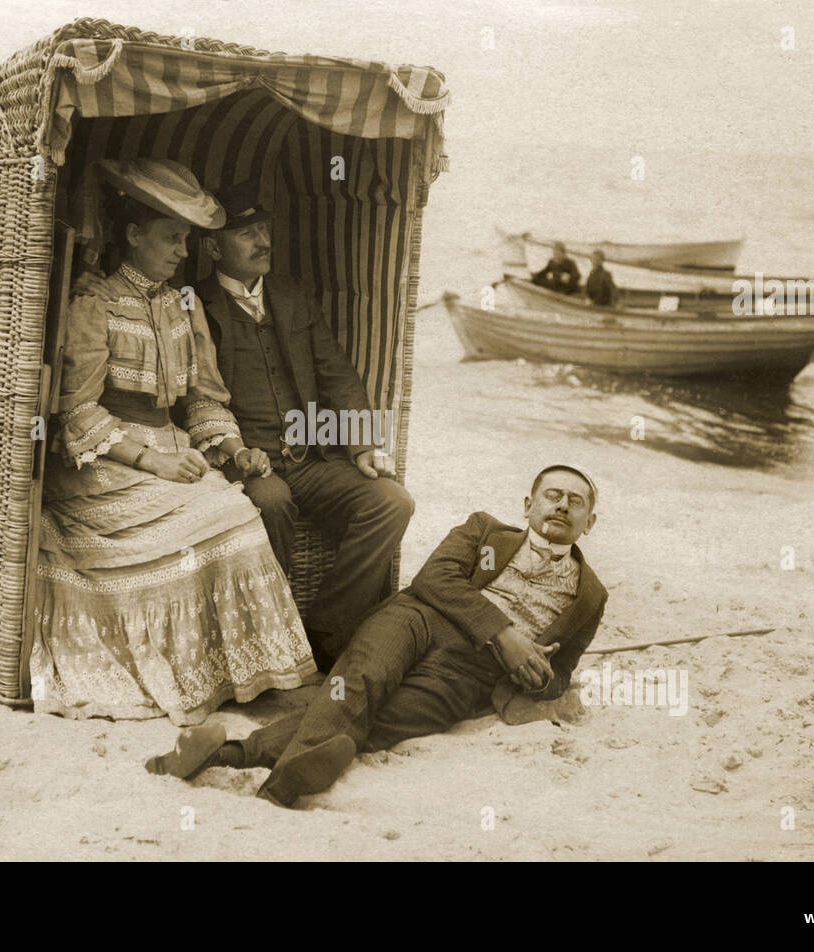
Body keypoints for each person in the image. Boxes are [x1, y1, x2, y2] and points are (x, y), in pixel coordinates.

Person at [30, 159, 315, 727]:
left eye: (186, 238)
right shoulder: (95, 305)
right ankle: (189, 677)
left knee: (237, 510)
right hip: (106, 460)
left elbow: (204, 399)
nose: (182, 251)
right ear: (133, 236)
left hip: (173, 447)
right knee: (211, 520)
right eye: (170, 238)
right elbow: (76, 410)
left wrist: (233, 450)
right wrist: (151, 459)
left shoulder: (184, 306)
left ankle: (236, 676)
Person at [146, 463, 608, 807]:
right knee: (361, 682)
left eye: (576, 501)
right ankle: (283, 783)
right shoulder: (484, 530)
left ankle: (234, 758)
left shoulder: (591, 595)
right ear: (529, 506)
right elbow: (436, 579)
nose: (563, 505)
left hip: (472, 673)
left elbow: (560, 676)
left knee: (383, 717)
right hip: (419, 619)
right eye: (553, 495)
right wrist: (505, 633)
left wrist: (537, 675)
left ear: (589, 522)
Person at [194, 181, 415, 666]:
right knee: (271, 503)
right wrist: (233, 453)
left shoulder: (292, 295)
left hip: (312, 456)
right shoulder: (193, 304)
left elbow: (337, 374)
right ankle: (265, 638)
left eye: (263, 229)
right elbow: (193, 396)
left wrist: (361, 446)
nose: (262, 241)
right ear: (213, 247)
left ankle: (322, 631)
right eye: (246, 233)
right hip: (243, 463)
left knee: (392, 503)